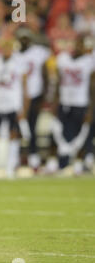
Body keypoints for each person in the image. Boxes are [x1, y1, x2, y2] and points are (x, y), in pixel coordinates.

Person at [0, 39, 30, 178]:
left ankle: (10, 167)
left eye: (9, 47)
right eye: (4, 47)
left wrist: (24, 109)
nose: (7, 50)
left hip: (13, 105)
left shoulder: (19, 63)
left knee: (14, 135)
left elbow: (25, 88)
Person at [48, 35, 94, 174]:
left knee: (81, 135)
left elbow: (92, 87)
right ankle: (59, 162)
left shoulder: (89, 61)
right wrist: (54, 102)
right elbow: (58, 82)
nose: (78, 47)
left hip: (81, 103)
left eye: (81, 45)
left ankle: (79, 163)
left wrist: (91, 109)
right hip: (64, 102)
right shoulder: (63, 59)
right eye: (77, 44)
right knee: (58, 134)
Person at [16, 28, 51, 172]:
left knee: (32, 127)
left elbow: (45, 74)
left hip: (35, 95)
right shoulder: (15, 54)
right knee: (18, 129)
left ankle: (33, 159)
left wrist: (44, 95)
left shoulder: (39, 52)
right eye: (22, 38)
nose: (24, 41)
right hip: (18, 97)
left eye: (26, 38)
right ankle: (18, 158)